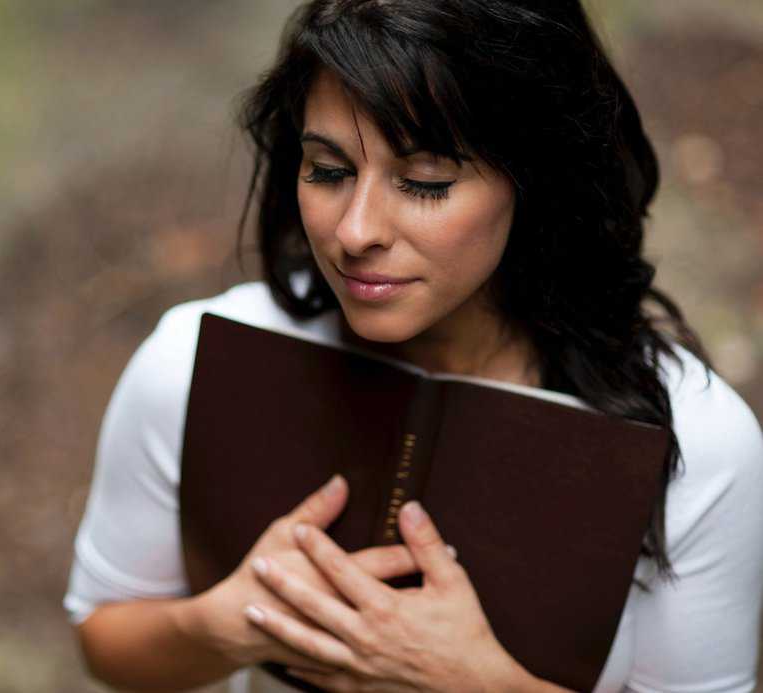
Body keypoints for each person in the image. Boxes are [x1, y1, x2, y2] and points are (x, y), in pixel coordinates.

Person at [63, 1, 763, 691]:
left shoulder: (696, 445)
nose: (356, 231)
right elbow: (107, 638)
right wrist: (225, 622)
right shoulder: (192, 364)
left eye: (425, 183)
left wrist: (476, 681)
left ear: (535, 180)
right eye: (329, 171)